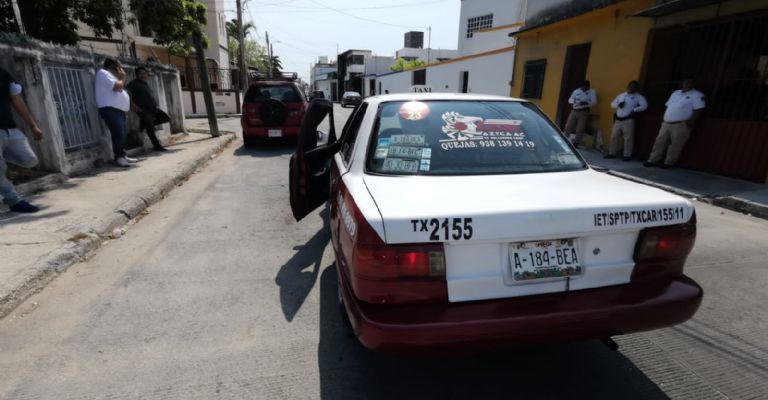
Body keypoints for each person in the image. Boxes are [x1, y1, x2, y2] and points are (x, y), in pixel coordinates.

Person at [0, 67, 43, 213]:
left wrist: (33, 126)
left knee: (30, 160)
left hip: (10, 129)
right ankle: (14, 201)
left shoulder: (3, 73)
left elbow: (17, 101)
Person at [644, 79, 705, 169]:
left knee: (676, 144)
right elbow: (668, 105)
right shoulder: (676, 93)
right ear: (682, 83)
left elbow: (699, 109)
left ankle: (668, 163)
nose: (687, 84)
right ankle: (652, 160)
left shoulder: (697, 95)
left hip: (681, 124)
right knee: (659, 142)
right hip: (666, 123)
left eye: (689, 83)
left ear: (693, 84)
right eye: (685, 82)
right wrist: (664, 117)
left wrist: (691, 121)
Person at [96, 58, 135, 167]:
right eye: (119, 67)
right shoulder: (103, 73)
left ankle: (123, 155)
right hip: (110, 108)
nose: (121, 70)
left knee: (122, 133)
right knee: (117, 133)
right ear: (114, 66)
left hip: (119, 110)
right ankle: (119, 157)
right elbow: (117, 87)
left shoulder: (111, 76)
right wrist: (122, 78)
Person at [126, 67, 167, 152]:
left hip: (153, 108)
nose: (143, 75)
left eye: (144, 73)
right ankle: (157, 145)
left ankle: (145, 123)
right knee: (150, 128)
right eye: (140, 73)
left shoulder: (145, 83)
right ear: (136, 75)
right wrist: (133, 106)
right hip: (143, 110)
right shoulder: (133, 84)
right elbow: (127, 94)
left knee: (166, 118)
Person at [605, 81, 648, 161]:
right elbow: (612, 104)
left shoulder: (638, 97)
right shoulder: (621, 95)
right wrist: (618, 105)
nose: (632, 88)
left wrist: (635, 110)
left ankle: (627, 155)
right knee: (614, 137)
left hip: (628, 120)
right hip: (618, 120)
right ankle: (612, 153)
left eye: (634, 86)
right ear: (628, 86)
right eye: (631, 86)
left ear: (636, 88)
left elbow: (644, 106)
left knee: (628, 138)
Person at [564, 80, 597, 147]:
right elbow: (569, 100)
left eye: (585, 87)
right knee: (568, 126)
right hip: (574, 110)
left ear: (588, 87)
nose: (583, 89)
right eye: (582, 87)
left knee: (580, 128)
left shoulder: (592, 92)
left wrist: (586, 103)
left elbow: (594, 102)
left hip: (583, 111)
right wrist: (574, 101)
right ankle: (564, 139)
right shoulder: (576, 91)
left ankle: (576, 143)